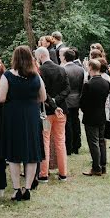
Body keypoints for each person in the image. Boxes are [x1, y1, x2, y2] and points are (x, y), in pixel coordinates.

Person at [0, 46, 46, 202]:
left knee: (14, 153)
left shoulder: (7, 76)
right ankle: (28, 188)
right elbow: (43, 97)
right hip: (31, 115)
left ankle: (17, 189)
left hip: (14, 116)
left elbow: (1, 98)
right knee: (31, 153)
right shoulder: (36, 76)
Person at [37, 45, 69, 181]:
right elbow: (67, 88)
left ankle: (43, 174)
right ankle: (63, 173)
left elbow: (42, 91)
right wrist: (58, 101)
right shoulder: (61, 69)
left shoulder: (40, 71)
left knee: (45, 141)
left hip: (46, 111)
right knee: (60, 141)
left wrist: (53, 102)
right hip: (61, 110)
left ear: (40, 57)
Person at [80, 58, 110, 176]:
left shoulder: (88, 84)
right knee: (101, 141)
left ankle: (96, 167)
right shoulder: (106, 83)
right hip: (101, 114)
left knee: (93, 142)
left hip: (90, 115)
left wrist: (85, 110)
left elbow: (82, 102)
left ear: (91, 68)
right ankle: (103, 166)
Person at [61, 47, 85, 156]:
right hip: (77, 98)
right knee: (76, 122)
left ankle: (69, 147)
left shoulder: (63, 69)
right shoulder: (80, 69)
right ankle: (77, 145)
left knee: (68, 123)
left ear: (65, 58)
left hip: (67, 99)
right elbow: (82, 85)